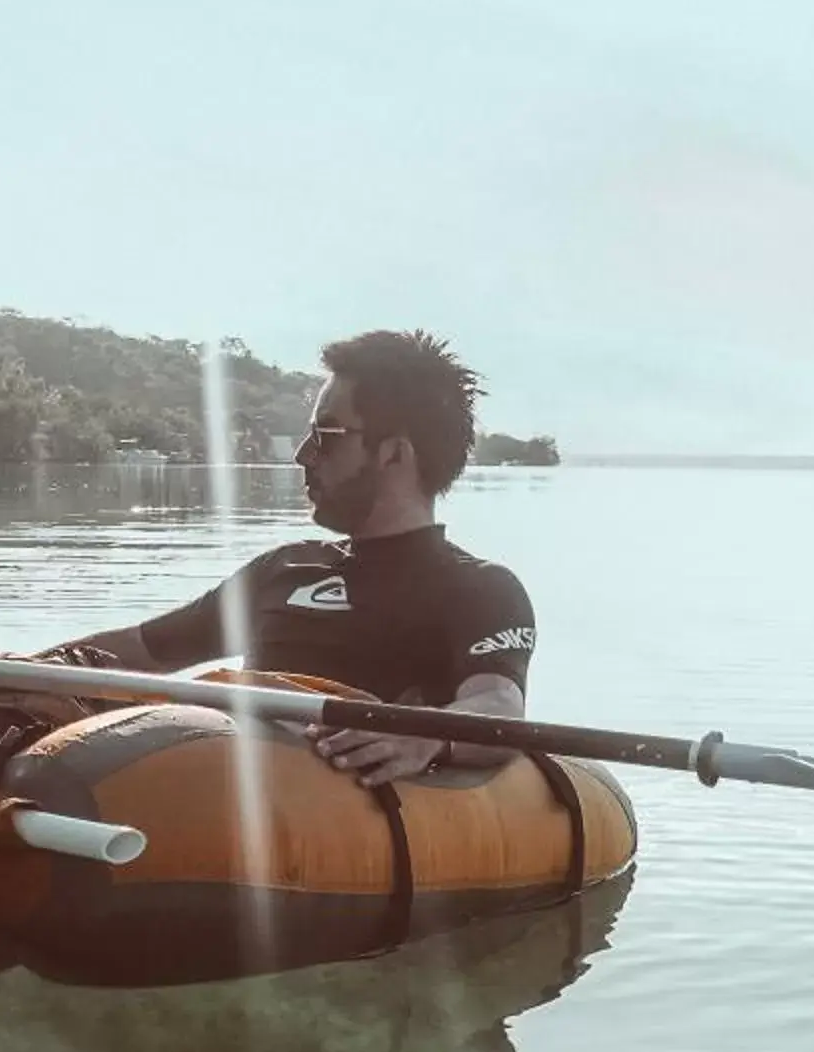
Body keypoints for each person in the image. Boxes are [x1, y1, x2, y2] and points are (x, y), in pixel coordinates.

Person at [54, 329, 535, 787]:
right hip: (214, 788)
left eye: (326, 434)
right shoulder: (282, 569)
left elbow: (496, 703)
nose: (304, 455)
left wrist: (424, 735)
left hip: (326, 825)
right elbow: (142, 650)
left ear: (393, 454)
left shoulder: (479, 589)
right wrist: (18, 668)